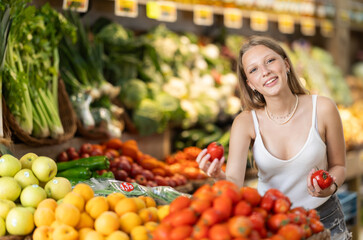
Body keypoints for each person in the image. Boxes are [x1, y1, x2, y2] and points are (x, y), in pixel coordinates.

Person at [196, 35, 351, 239]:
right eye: (253, 70)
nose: (265, 71)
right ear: (250, 84)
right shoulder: (245, 123)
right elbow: (234, 183)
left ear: (286, 64)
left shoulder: (322, 108)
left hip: (324, 218)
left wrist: (330, 187)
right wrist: (218, 175)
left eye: (270, 60)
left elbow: (339, 165)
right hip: (273, 222)